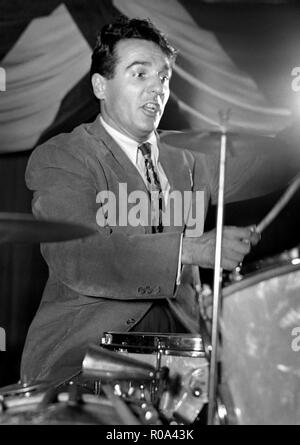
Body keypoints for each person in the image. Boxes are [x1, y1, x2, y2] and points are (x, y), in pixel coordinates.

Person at [21, 17, 259, 384]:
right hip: (85, 359)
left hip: (183, 360)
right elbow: (81, 253)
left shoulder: (191, 154)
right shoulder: (64, 157)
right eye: (139, 75)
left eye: (163, 77)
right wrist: (189, 250)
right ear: (101, 85)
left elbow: (269, 166)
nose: (157, 89)